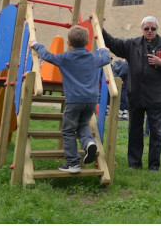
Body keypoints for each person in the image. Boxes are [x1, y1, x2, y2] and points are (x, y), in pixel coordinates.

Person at [102, 16, 161, 172]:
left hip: (156, 96)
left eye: (153, 29)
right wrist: (99, 28)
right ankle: (135, 164)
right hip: (136, 95)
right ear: (142, 29)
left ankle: (154, 166)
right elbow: (113, 43)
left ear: (157, 29)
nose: (149, 31)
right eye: (146, 28)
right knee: (135, 131)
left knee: (156, 133)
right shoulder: (133, 44)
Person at [30, 25, 110, 173]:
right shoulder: (94, 58)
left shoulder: (65, 58)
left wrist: (36, 45)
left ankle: (73, 163)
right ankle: (89, 143)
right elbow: (106, 59)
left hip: (74, 101)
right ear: (86, 42)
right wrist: (103, 49)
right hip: (91, 100)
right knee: (83, 125)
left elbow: (47, 56)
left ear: (68, 43)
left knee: (68, 131)